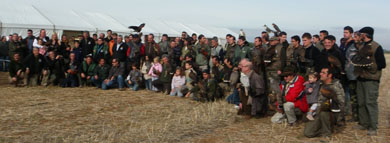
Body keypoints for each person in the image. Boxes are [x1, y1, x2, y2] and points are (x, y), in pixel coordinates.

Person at [352, 27, 386, 136]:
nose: (359, 35)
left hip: (371, 79)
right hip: (360, 78)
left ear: (365, 35)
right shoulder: (362, 46)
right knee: (361, 102)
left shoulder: (376, 47)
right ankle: (363, 123)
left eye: (361, 33)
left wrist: (370, 66)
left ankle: (373, 127)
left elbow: (382, 64)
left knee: (370, 103)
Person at [304, 67, 345, 138]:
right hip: (319, 111)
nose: (320, 74)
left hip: (332, 113)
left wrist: (339, 119)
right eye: (321, 72)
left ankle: (327, 134)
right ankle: (326, 128)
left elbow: (341, 103)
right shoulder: (320, 84)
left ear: (329, 75)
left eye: (323, 73)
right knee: (308, 133)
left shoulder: (335, 86)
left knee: (324, 112)